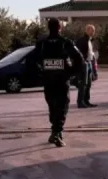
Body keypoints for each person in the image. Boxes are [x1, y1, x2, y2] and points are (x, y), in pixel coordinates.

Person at [34, 18, 84, 147]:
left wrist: (41, 74)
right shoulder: (65, 43)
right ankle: (57, 132)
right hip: (62, 80)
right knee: (62, 106)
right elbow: (79, 59)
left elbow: (33, 61)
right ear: (60, 28)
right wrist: (72, 73)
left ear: (48, 28)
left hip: (49, 81)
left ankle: (55, 131)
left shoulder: (41, 44)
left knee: (52, 106)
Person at [74, 24, 97, 108]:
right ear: (87, 30)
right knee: (83, 84)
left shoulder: (90, 40)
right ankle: (80, 102)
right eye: (92, 30)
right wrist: (82, 62)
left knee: (89, 84)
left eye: (94, 30)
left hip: (89, 62)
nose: (93, 32)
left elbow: (90, 53)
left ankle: (86, 100)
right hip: (84, 64)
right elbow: (77, 53)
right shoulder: (81, 40)